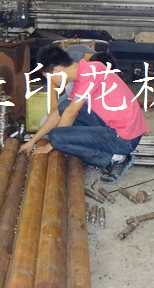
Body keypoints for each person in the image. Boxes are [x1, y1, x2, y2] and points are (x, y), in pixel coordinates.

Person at [20, 45, 147, 184]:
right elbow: (59, 113)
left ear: (57, 70)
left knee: (57, 137)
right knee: (64, 107)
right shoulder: (83, 75)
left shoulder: (92, 71)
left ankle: (115, 158)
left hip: (125, 138)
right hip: (116, 127)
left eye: (49, 78)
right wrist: (32, 141)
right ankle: (107, 151)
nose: (51, 83)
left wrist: (51, 145)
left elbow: (71, 113)